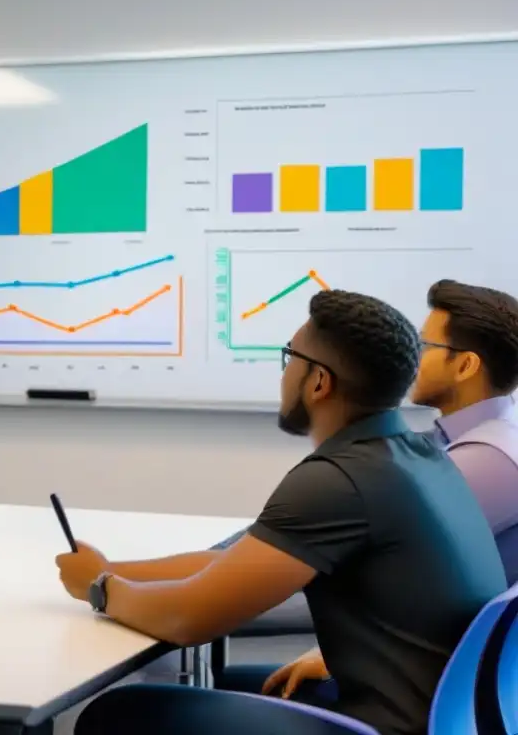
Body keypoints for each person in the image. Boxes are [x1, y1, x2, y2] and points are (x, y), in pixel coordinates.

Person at [56, 290, 506, 735]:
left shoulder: (340, 479)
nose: (284, 372)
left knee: (119, 712)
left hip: (385, 726)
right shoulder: (415, 456)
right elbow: (238, 566)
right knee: (228, 685)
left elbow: (189, 619)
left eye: (290, 357)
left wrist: (101, 590)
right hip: (443, 716)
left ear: (318, 382)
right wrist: (112, 568)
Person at [411, 279, 518, 584]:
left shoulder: (489, 460)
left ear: (465, 365)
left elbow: (388, 559)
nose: (413, 358)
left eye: (423, 346)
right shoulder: (474, 438)